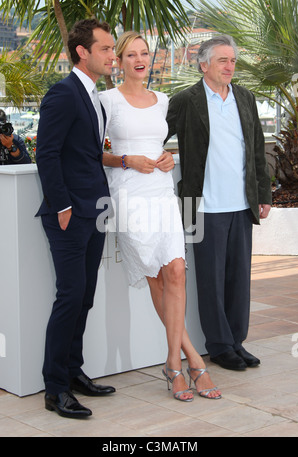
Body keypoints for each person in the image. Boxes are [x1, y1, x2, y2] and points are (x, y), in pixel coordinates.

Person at [100, 31, 221, 402]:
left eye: (144, 54)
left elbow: (159, 144)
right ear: (119, 61)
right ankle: (192, 362)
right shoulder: (106, 101)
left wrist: (168, 157)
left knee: (177, 271)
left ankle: (173, 363)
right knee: (157, 279)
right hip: (129, 195)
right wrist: (125, 159)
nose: (140, 59)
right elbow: (94, 152)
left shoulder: (162, 100)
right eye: (131, 54)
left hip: (162, 191)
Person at [166, 35, 272, 371]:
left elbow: (256, 149)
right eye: (223, 61)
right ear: (204, 65)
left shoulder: (244, 97)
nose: (230, 67)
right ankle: (220, 346)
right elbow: (156, 133)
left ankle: (237, 341)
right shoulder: (186, 100)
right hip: (200, 207)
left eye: (233, 61)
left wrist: (263, 194)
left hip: (241, 204)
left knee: (238, 279)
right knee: (209, 281)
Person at [35, 19, 116, 419]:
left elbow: (87, 154)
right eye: (106, 48)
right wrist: (63, 206)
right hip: (69, 214)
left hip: (94, 211)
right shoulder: (63, 94)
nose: (112, 55)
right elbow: (45, 153)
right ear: (83, 51)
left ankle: (73, 371)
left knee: (83, 297)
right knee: (69, 298)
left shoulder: (94, 97)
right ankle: (54, 388)